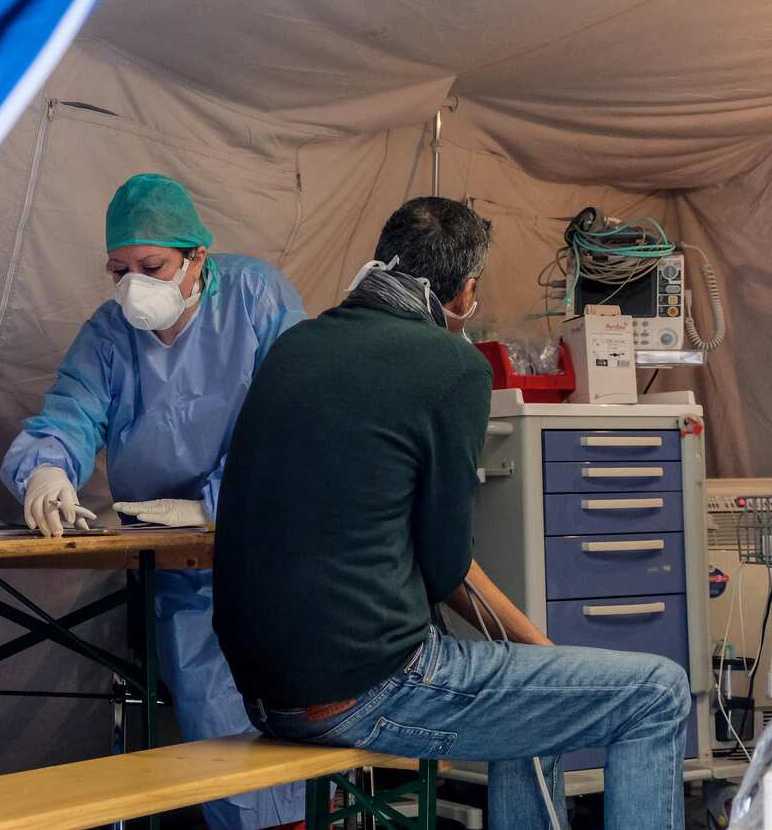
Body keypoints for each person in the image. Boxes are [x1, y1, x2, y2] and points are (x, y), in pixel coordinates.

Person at [213, 197, 692, 829]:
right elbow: (445, 567)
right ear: (464, 292)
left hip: (263, 694)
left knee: (535, 700)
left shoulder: (295, 345)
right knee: (658, 691)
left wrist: (542, 657)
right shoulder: (453, 366)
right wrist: (546, 649)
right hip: (361, 690)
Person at [0, 173, 307, 829]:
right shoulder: (110, 334)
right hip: (178, 570)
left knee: (295, 733)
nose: (133, 284)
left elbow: (297, 416)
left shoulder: (257, 297)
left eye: (152, 265)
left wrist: (218, 503)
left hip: (268, 551)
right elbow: (71, 410)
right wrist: (48, 470)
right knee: (219, 737)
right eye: (119, 268)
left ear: (198, 255)